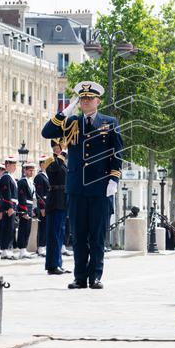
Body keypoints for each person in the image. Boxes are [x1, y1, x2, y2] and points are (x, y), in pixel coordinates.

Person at [41, 80, 123, 289]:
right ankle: (79, 277)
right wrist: (66, 110)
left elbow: (117, 153)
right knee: (78, 235)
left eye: (89, 98)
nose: (86, 102)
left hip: (100, 186)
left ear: (98, 100)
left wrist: (113, 179)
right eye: (83, 99)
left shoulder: (109, 122)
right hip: (77, 187)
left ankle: (95, 276)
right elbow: (47, 132)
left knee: (96, 235)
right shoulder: (72, 122)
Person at [41, 145, 69, 275]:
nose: (60, 149)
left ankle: (58, 263)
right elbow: (54, 169)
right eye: (58, 147)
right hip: (55, 201)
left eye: (61, 147)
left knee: (60, 234)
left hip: (62, 201)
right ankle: (52, 265)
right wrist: (62, 154)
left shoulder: (63, 162)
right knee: (54, 235)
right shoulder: (51, 161)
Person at [0, 156, 19, 259]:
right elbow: (7, 192)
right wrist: (10, 206)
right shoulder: (6, 177)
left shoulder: (10, 177)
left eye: (15, 165)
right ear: (7, 165)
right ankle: (4, 250)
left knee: (10, 228)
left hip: (12, 204)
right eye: (13, 165)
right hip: (8, 205)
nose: (15, 167)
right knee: (7, 228)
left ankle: (7, 249)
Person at [16, 161, 37, 258]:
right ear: (25, 170)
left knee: (27, 229)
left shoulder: (31, 182)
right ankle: (22, 250)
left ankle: (24, 248)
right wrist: (24, 211)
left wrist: (31, 209)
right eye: (29, 170)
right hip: (24, 207)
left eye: (33, 170)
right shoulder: (22, 182)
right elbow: (21, 197)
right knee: (23, 229)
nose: (31, 172)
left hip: (29, 206)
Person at [33, 156, 50, 257]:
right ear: (41, 164)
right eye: (45, 163)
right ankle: (40, 247)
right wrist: (42, 207)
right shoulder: (39, 177)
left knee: (46, 226)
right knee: (42, 227)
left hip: (48, 204)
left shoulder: (46, 175)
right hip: (43, 205)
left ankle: (44, 245)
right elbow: (39, 194)